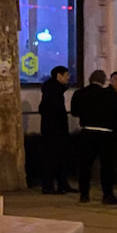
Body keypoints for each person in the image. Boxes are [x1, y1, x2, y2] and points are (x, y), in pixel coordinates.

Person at [71, 69, 117, 205]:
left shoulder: (79, 93)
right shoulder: (109, 94)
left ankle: (84, 194)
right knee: (106, 166)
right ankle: (107, 195)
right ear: (104, 80)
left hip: (87, 132)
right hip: (105, 133)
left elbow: (75, 112)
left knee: (85, 165)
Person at [38, 66, 75, 194]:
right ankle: (50, 185)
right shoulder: (54, 92)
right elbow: (54, 111)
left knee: (59, 158)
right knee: (53, 158)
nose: (68, 78)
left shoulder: (52, 90)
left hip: (53, 130)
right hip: (55, 131)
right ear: (59, 76)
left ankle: (61, 184)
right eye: (66, 75)